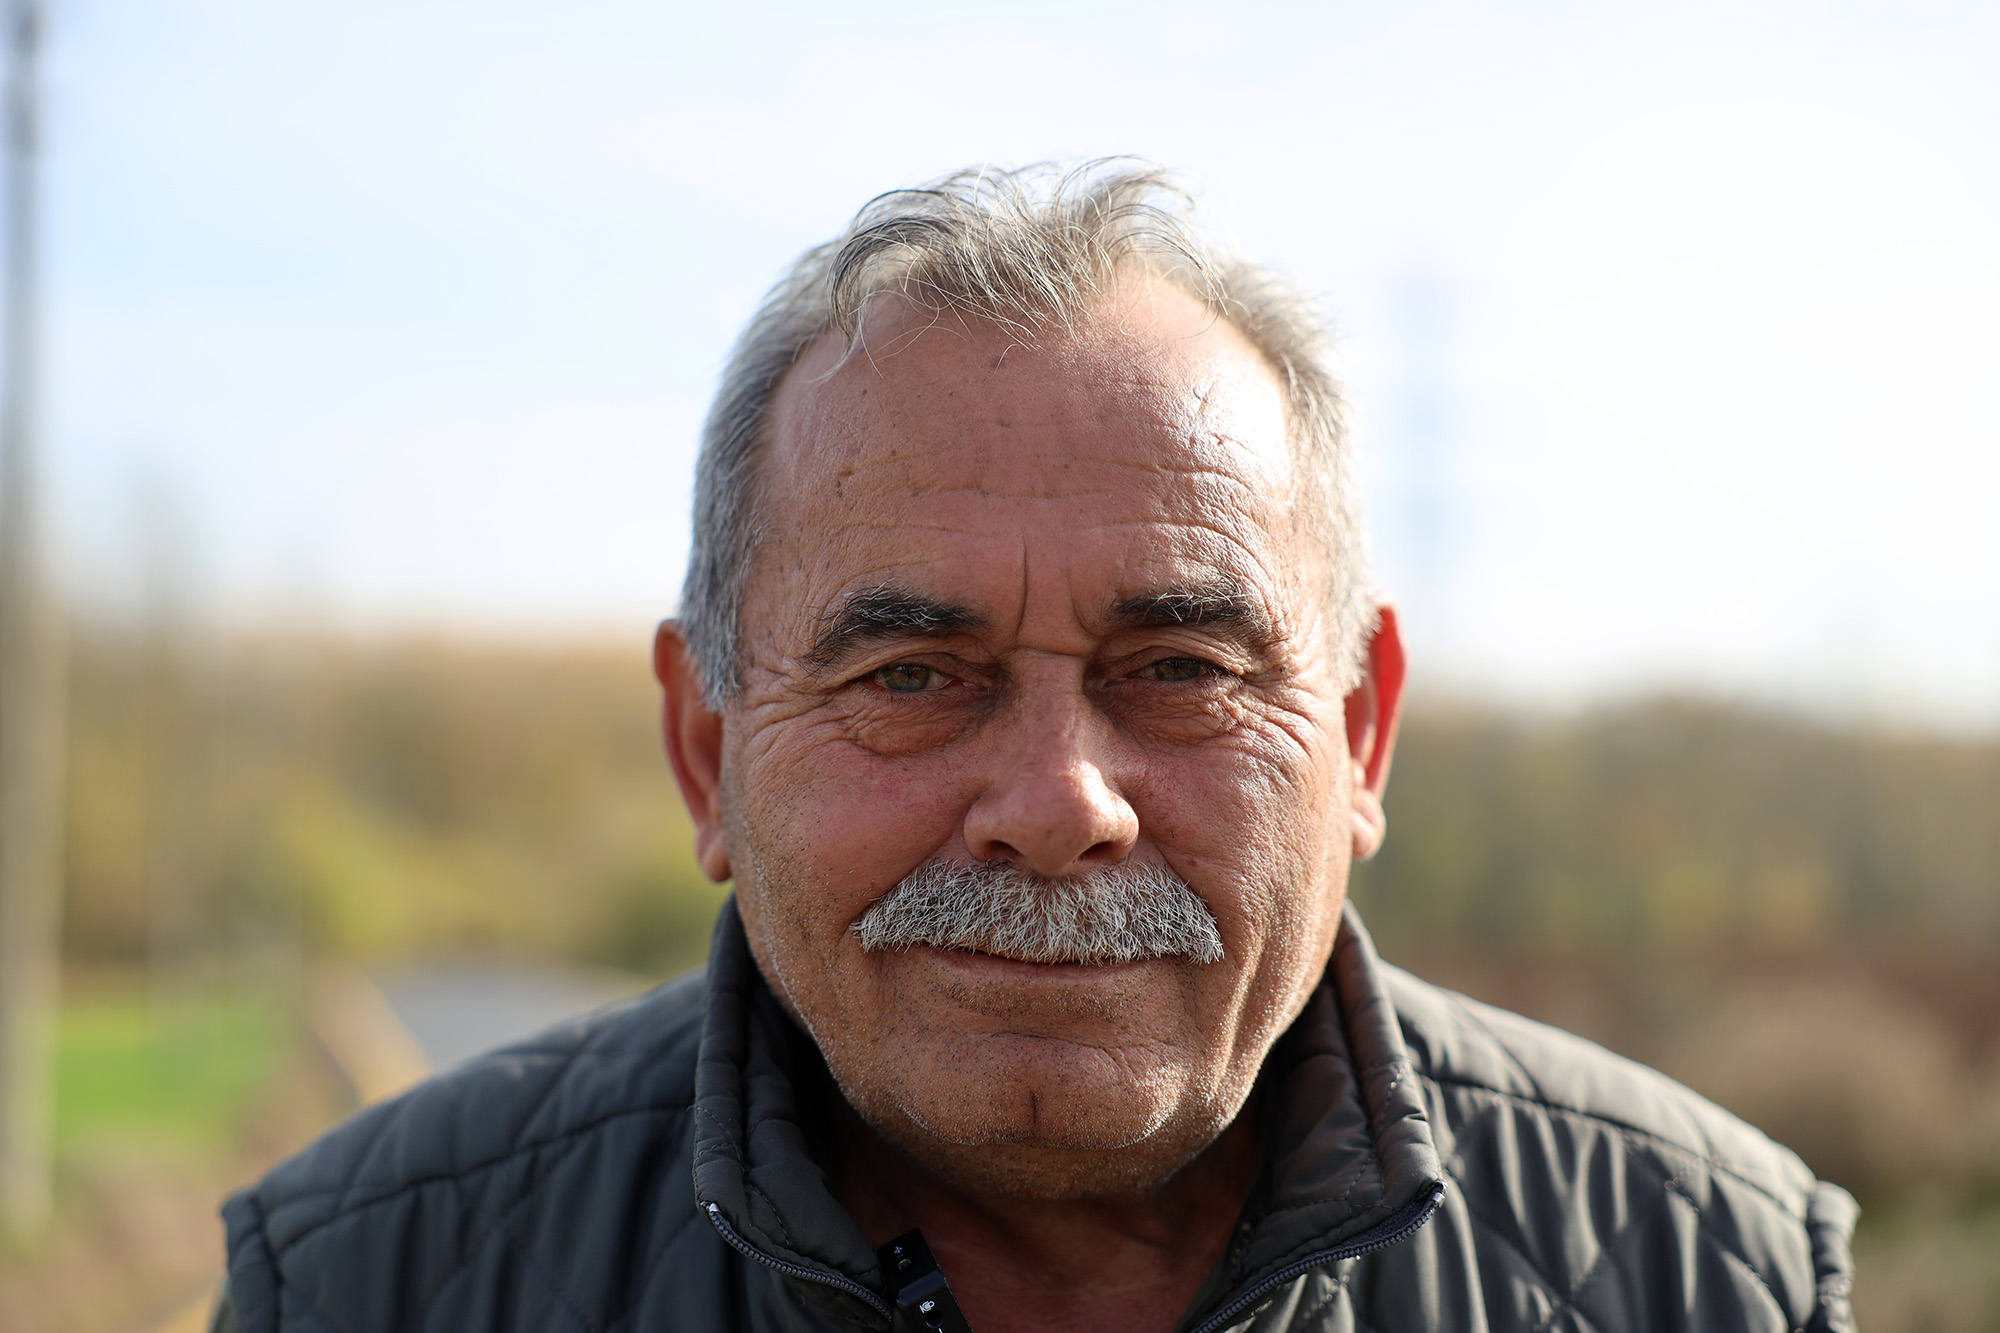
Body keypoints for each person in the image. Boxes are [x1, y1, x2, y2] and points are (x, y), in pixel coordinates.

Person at [213, 163, 1857, 1332]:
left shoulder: (1708, 1270)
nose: (1060, 803)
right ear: (707, 750)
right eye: (915, 675)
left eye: (1183, 668)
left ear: (1360, 731)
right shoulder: (364, 1280)